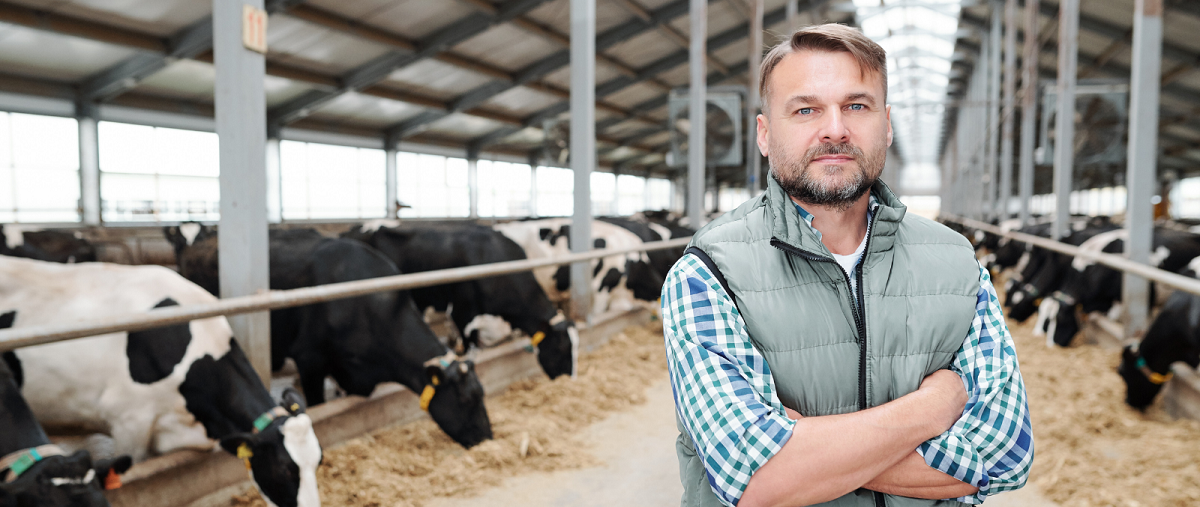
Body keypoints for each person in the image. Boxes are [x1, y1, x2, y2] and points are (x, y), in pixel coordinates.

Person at [661, 24, 1032, 507]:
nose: (835, 127)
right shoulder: (708, 273)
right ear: (765, 133)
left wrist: (806, 443)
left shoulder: (958, 264)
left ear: (888, 124)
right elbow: (758, 480)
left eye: (857, 106)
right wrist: (933, 407)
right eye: (806, 109)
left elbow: (1005, 458)